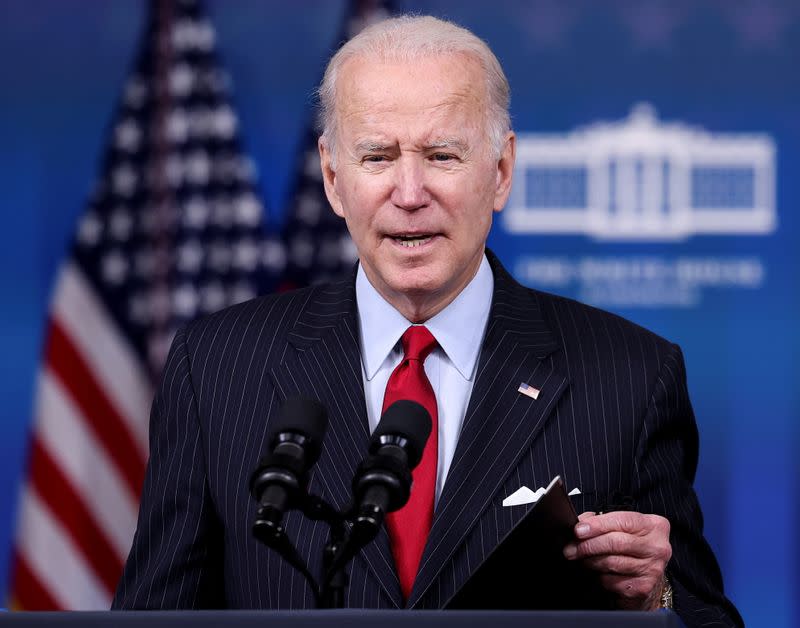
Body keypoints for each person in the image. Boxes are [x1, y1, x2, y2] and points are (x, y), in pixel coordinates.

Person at [113, 15, 742, 626]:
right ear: (334, 178)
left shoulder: (630, 377)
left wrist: (653, 600)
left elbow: (703, 618)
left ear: (500, 171)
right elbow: (149, 620)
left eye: (442, 156)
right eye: (378, 157)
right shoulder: (218, 367)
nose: (410, 193)